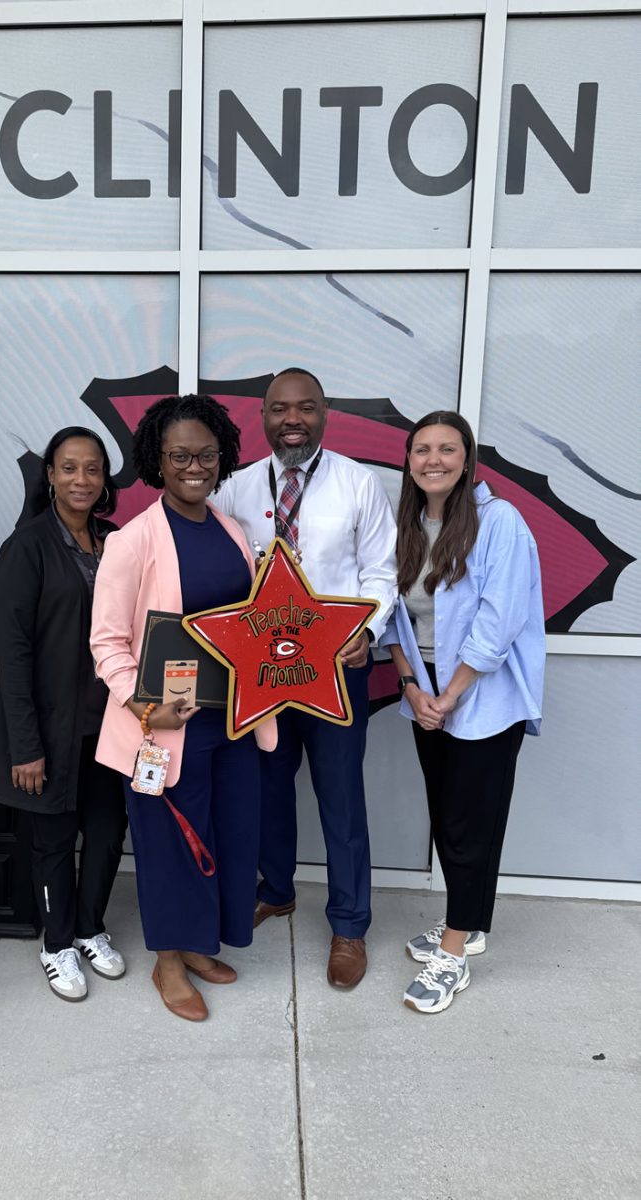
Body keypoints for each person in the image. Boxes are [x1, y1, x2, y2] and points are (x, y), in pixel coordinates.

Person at [90, 395, 277, 1022]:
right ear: (157, 462)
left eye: (205, 454)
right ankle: (168, 962)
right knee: (171, 845)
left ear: (222, 457)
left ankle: (198, 945)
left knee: (225, 836)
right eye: (179, 456)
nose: (194, 466)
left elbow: (246, 625)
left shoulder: (233, 531)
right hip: (165, 732)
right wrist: (147, 705)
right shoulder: (134, 540)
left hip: (231, 723)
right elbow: (107, 642)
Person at [212, 367, 397, 988]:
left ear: (326, 413)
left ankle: (349, 925)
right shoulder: (236, 489)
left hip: (335, 671)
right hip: (264, 670)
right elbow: (216, 569)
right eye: (279, 409)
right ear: (261, 417)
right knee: (266, 787)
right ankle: (277, 889)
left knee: (340, 798)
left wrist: (366, 632)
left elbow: (381, 572)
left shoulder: (358, 484)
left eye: (306, 408)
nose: (293, 419)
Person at [382, 411, 544, 1013]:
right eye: (421, 449)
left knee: (470, 825)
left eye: (447, 449)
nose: (433, 460)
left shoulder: (500, 522)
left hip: (482, 699)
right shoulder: (408, 524)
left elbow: (499, 621)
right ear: (407, 459)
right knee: (447, 818)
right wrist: (412, 687)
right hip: (425, 693)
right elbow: (391, 613)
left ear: (467, 457)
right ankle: (468, 922)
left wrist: (451, 695)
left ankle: (454, 952)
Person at [0, 427, 128, 1002]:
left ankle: (91, 928)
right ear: (50, 475)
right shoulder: (27, 547)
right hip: (49, 728)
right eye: (69, 468)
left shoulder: (113, 541)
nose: (81, 480)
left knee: (108, 831)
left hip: (107, 724)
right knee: (52, 840)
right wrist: (26, 746)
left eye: (92, 469)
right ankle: (57, 944)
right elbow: (12, 655)